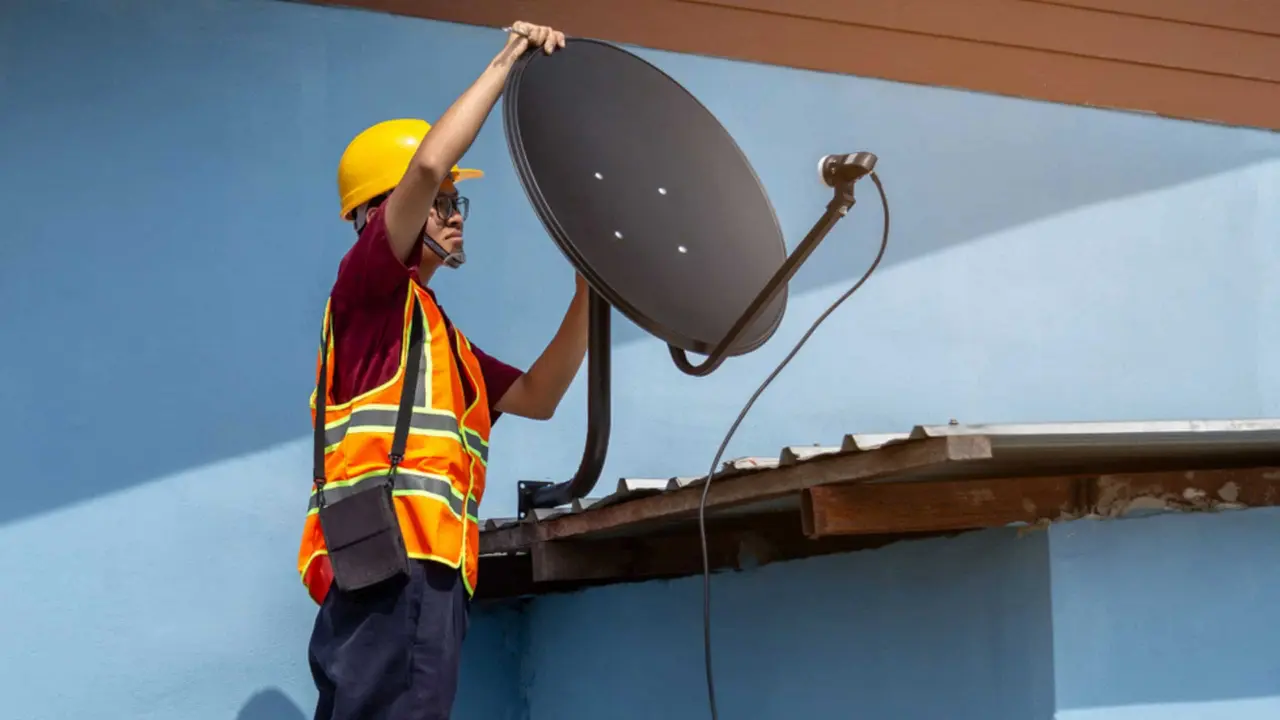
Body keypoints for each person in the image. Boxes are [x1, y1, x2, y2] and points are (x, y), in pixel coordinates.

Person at [298, 21, 580, 720]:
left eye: (459, 202)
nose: (456, 215)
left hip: (422, 574)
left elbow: (541, 396)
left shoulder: (442, 340)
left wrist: (589, 297)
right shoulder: (368, 295)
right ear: (380, 214)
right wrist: (508, 60)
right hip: (394, 567)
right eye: (445, 203)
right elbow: (424, 167)